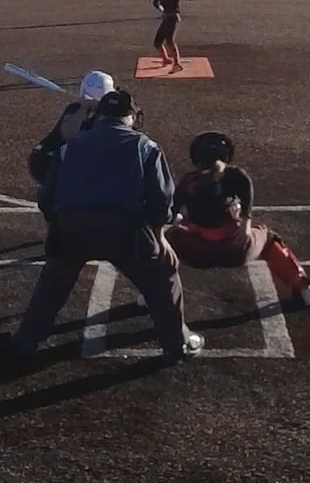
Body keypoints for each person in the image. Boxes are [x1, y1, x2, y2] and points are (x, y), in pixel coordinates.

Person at [11, 90, 202, 360]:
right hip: (123, 230)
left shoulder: (70, 146)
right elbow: (161, 201)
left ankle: (27, 339)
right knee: (162, 277)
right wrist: (159, 238)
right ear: (131, 117)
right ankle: (176, 344)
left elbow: (46, 198)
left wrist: (57, 230)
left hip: (72, 226)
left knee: (53, 281)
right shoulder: (146, 146)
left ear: (99, 116)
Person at [167, 131, 310, 308]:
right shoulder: (237, 176)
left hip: (195, 251)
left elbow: (171, 214)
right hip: (237, 249)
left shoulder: (188, 181)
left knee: (163, 243)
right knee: (268, 238)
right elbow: (246, 213)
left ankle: (152, 294)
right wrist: (243, 228)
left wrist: (185, 224)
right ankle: (304, 289)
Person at [27, 70, 116, 188]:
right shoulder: (75, 110)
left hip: (60, 163)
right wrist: (83, 108)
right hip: (48, 162)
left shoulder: (107, 114)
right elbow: (68, 135)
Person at [151, 0, 198, 70]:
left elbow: (157, 4)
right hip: (167, 18)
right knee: (158, 43)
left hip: (172, 18)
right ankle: (166, 60)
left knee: (169, 41)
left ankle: (177, 63)